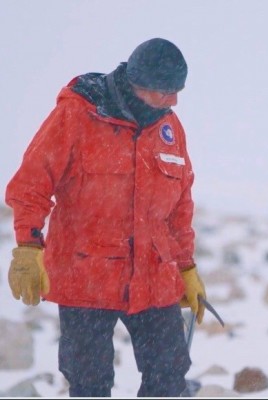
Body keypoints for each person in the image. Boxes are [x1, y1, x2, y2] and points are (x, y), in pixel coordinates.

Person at [5, 37, 207, 398]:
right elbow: (31, 183)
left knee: (170, 371)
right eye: (166, 91)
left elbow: (179, 208)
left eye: (178, 91)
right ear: (139, 83)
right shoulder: (78, 115)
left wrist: (186, 267)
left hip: (152, 274)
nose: (174, 101)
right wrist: (28, 245)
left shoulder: (170, 129)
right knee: (89, 381)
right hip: (86, 274)